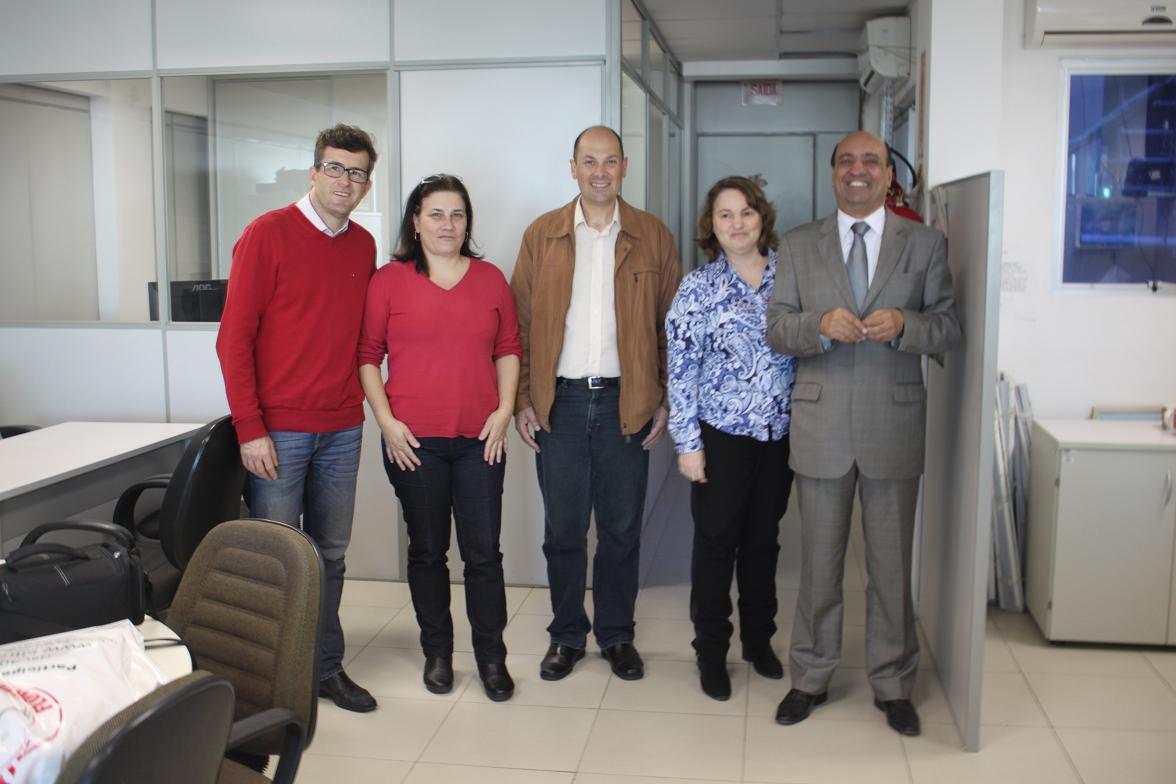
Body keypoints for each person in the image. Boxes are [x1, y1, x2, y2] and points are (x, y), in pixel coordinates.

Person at [766, 130, 961, 737]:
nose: (858, 170)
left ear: (886, 175)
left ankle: (893, 683)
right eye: (847, 161)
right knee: (819, 567)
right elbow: (778, 330)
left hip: (893, 423)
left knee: (890, 567)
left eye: (869, 161)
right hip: (821, 426)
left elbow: (948, 328)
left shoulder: (925, 244)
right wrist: (819, 326)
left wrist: (906, 323)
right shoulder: (798, 245)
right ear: (833, 175)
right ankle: (811, 677)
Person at [216, 123, 380, 713]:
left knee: (330, 556)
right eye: (335, 168)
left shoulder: (363, 245)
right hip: (278, 432)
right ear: (313, 172)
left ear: (366, 184)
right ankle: (267, 681)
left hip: (342, 426)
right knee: (278, 560)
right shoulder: (267, 234)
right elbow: (233, 340)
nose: (345, 181)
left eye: (357, 172)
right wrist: (249, 427)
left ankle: (323, 668)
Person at [511, 126, 681, 682]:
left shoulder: (653, 235)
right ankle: (566, 636)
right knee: (562, 530)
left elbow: (671, 328)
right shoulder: (543, 234)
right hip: (557, 403)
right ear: (573, 167)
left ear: (625, 166)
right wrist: (520, 400)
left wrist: (664, 399)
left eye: (610, 161)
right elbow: (520, 324)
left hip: (623, 403)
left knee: (621, 529)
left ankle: (616, 635)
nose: (600, 170)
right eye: (590, 161)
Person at [357, 174, 520, 702]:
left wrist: (504, 411)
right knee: (427, 552)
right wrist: (385, 422)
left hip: (480, 440)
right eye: (436, 214)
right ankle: (438, 654)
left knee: (483, 554)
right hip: (413, 444)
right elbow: (366, 356)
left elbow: (509, 348)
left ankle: (492, 659)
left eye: (457, 215)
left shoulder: (492, 279)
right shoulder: (388, 280)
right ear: (416, 221)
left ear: (467, 222)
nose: (447, 225)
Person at [666, 176, 797, 701]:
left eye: (746, 212)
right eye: (725, 215)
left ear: (761, 218)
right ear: (711, 226)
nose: (737, 223)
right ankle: (711, 651)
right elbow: (680, 369)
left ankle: (759, 641)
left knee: (764, 543)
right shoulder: (698, 288)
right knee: (717, 546)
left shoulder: (792, 278)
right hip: (720, 438)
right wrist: (687, 444)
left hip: (780, 435)